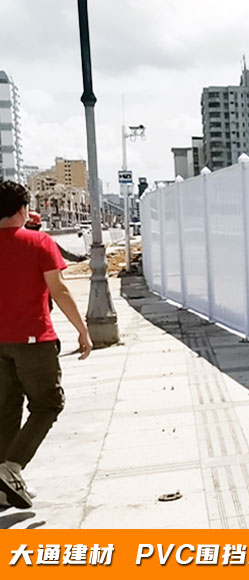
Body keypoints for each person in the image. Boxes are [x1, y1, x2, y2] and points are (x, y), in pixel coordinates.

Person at [0, 181, 92, 510]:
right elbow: (59, 290)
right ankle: (11, 468)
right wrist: (82, 330)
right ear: (23, 209)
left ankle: (4, 489)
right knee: (47, 405)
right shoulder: (39, 242)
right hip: (33, 340)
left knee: (6, 411)